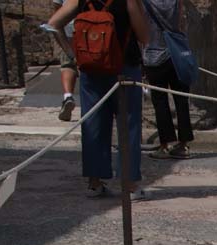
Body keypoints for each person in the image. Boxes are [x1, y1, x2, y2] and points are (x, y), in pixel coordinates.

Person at [49, 0, 150, 200]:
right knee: (128, 126)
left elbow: (53, 24)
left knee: (93, 124)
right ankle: (129, 184)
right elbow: (144, 36)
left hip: (91, 67)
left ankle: (95, 183)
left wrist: (72, 54)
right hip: (124, 67)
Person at [143, 0, 192, 159]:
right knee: (182, 100)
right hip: (176, 53)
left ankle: (165, 144)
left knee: (160, 102)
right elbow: (182, 22)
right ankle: (183, 144)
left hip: (154, 54)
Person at [48, 0, 78, 121]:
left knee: (68, 64)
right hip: (91, 27)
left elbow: (57, 7)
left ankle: (68, 96)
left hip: (67, 26)